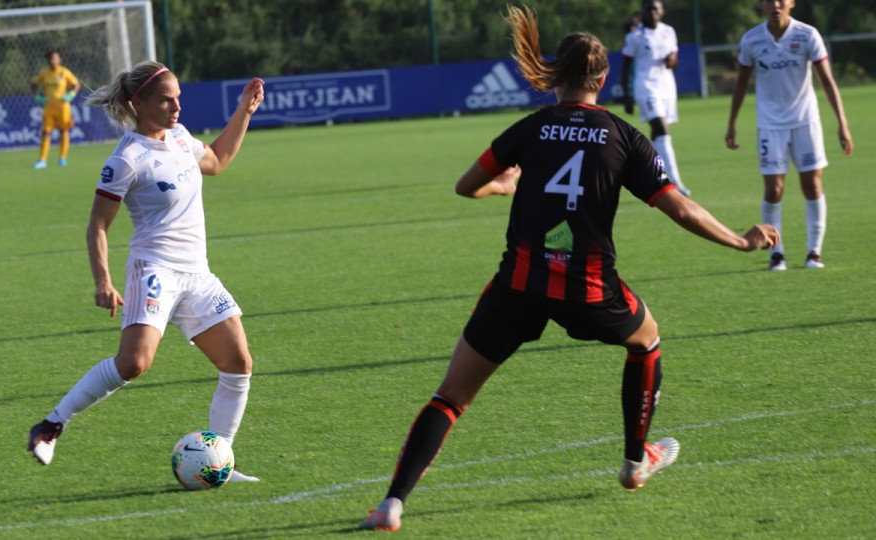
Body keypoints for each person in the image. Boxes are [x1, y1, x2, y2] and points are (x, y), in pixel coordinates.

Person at [358, 6, 779, 532]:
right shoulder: (625, 138)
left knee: (450, 397)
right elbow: (682, 209)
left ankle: (392, 505)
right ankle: (633, 462)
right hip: (590, 288)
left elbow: (466, 185)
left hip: (519, 284)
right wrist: (741, 240)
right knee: (645, 341)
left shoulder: (530, 128)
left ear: (555, 77)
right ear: (603, 80)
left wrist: (503, 185)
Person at [26, 61, 266, 484]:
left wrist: (244, 111)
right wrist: (103, 281)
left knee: (238, 362)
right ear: (139, 103)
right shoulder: (127, 159)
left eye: (178, 98)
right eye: (166, 100)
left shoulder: (179, 136)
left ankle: (219, 462)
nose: (176, 107)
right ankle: (51, 425)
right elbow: (98, 224)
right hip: (154, 269)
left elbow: (217, 161)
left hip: (198, 274)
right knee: (134, 363)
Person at [725, 0, 853, 271]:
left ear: (792, 3)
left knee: (813, 186)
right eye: (770, 0)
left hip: (806, 122)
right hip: (770, 126)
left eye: (782, 0)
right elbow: (741, 84)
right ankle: (776, 254)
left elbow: (827, 81)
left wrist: (842, 123)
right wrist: (732, 123)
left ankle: (814, 253)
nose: (776, 5)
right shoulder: (751, 40)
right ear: (762, 4)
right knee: (773, 190)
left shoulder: (808, 35)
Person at [621, 0, 690, 196]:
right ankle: (675, 182)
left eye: (656, 9)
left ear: (662, 12)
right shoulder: (635, 36)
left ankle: (650, 175)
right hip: (646, 88)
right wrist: (626, 95)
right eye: (648, 9)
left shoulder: (669, 31)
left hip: (667, 88)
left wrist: (672, 60)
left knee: (656, 135)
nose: (652, 12)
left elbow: (674, 58)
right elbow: (625, 66)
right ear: (643, 11)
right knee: (661, 128)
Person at [30, 50, 80, 169]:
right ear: (48, 60)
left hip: (63, 107)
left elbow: (76, 84)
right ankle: (42, 160)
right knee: (46, 132)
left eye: (55, 58)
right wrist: (37, 97)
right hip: (49, 107)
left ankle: (62, 158)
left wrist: (71, 94)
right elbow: (33, 84)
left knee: (64, 131)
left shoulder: (64, 72)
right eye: (51, 58)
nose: (53, 61)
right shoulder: (44, 73)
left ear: (59, 60)